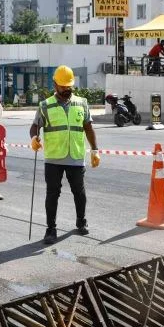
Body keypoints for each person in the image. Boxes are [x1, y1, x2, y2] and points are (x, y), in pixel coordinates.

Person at [29, 65, 100, 245]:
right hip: (53, 158)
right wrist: (34, 138)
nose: (67, 89)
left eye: (69, 86)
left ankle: (81, 221)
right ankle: (51, 229)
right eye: (63, 86)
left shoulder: (82, 103)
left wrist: (95, 150)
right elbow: (35, 126)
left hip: (75, 156)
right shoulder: (45, 105)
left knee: (79, 192)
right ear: (55, 85)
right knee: (52, 194)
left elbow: (88, 128)